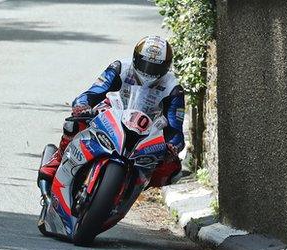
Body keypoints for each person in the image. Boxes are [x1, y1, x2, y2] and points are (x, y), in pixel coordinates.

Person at [38, 35, 185, 188]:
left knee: (172, 170)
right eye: (144, 64)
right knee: (74, 124)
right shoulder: (120, 67)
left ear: (166, 67)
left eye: (156, 68)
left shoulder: (173, 88)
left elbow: (176, 129)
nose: (148, 72)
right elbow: (93, 92)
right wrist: (82, 105)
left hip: (146, 132)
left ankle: (133, 188)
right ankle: (56, 163)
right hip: (112, 115)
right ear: (136, 58)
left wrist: (172, 145)